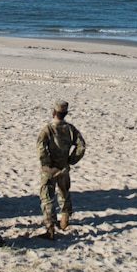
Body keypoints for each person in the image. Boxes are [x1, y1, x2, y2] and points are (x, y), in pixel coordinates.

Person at [37, 100, 87, 240]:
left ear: (54, 112)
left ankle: (50, 227)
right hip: (64, 167)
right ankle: (65, 219)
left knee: (47, 198)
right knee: (64, 194)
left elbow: (41, 149)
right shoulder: (71, 129)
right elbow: (81, 147)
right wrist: (71, 160)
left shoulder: (47, 129)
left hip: (49, 169)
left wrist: (46, 163)